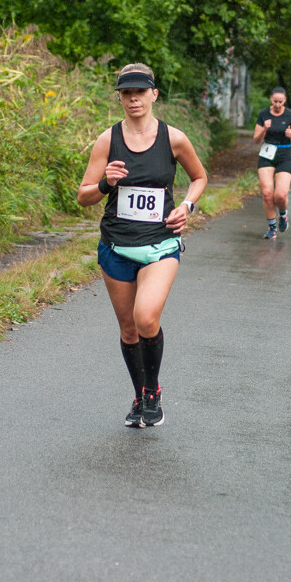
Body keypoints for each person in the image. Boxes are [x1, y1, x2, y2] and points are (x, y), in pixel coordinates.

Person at [78, 63, 208, 428]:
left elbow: (199, 177)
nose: (133, 99)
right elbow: (83, 196)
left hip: (160, 245)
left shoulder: (175, 139)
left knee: (145, 316)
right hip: (116, 247)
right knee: (128, 329)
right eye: (126, 93)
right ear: (119, 97)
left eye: (140, 92)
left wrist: (186, 206)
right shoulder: (108, 139)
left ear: (154, 94)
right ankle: (141, 397)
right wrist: (105, 183)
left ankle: (153, 391)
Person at [253, 87, 291, 239]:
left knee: (280, 195)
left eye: (280, 102)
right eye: (275, 101)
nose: (278, 104)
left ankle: (283, 214)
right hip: (267, 154)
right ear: (270, 99)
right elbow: (256, 140)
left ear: (285, 101)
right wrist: (264, 130)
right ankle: (272, 228)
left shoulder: (290, 115)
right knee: (267, 194)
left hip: (284, 154)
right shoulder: (264, 114)